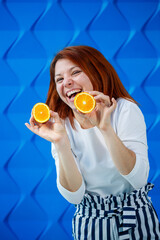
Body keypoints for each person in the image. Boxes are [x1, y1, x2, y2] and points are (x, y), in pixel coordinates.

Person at [25, 46, 160, 239]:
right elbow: (74, 196)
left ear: (97, 71)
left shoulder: (124, 110)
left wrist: (104, 127)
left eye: (76, 72)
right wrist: (61, 143)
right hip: (90, 223)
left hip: (136, 217)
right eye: (59, 79)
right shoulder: (60, 124)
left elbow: (138, 180)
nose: (67, 82)